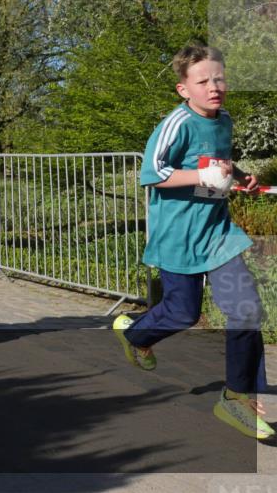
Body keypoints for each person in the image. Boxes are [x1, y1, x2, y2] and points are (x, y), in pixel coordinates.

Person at [112, 45, 272, 441]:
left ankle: (236, 397)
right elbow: (152, 174)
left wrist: (242, 176)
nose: (214, 87)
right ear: (184, 89)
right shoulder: (176, 123)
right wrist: (202, 178)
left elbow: (220, 164)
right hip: (178, 236)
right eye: (203, 81)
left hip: (218, 233)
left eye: (219, 78)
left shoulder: (225, 120)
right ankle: (135, 333)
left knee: (247, 309)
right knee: (182, 314)